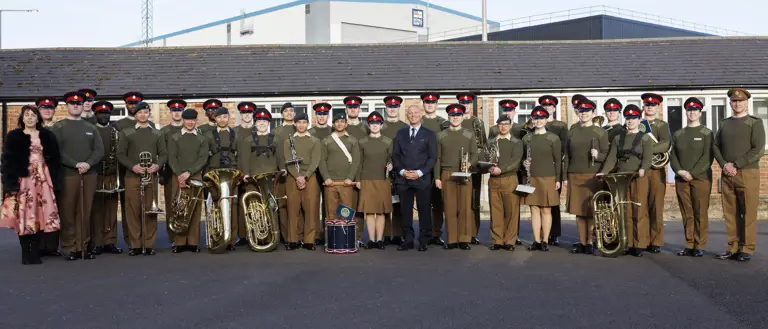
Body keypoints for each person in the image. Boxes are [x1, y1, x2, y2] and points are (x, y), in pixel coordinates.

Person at [1, 105, 61, 265]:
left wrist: (55, 180)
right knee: (23, 215)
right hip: (22, 180)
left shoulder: (47, 136)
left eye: (33, 115)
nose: (29, 118)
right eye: (26, 115)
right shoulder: (13, 136)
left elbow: (55, 160)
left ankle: (35, 251)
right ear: (22, 118)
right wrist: (9, 183)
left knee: (40, 214)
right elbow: (7, 161)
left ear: (37, 118)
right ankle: (25, 252)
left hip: (41, 180)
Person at [51, 91, 105, 261]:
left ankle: (83, 245)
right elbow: (57, 152)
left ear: (83, 106)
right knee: (67, 211)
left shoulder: (91, 128)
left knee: (85, 210)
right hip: (68, 175)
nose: (76, 106)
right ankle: (69, 247)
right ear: (67, 106)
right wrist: (75, 164)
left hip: (89, 174)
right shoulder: (58, 128)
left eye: (79, 104)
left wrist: (88, 163)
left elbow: (99, 150)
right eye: (72, 104)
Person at [713, 88, 765, 262]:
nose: (737, 104)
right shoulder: (724, 123)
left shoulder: (754, 123)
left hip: (748, 171)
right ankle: (732, 246)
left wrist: (736, 164)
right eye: (734, 101)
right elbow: (715, 146)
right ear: (730, 103)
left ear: (746, 102)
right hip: (727, 172)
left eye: (741, 101)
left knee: (748, 211)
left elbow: (758, 150)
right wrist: (724, 164)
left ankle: (747, 248)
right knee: (730, 211)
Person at [599, 104, 653, 257]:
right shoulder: (618, 138)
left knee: (639, 210)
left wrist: (643, 169)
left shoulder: (645, 138)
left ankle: (640, 244)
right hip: (621, 178)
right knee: (624, 211)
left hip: (638, 177)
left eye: (633, 118)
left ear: (639, 119)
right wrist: (603, 172)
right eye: (628, 118)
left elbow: (648, 159)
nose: (630, 121)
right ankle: (627, 243)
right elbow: (611, 158)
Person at [116, 102, 167, 256]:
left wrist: (157, 166)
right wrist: (133, 166)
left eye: (145, 112)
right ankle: (135, 244)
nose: (142, 115)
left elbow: (164, 153)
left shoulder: (157, 133)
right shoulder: (126, 132)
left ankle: (149, 244)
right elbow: (120, 154)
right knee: (133, 211)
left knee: (150, 211)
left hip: (151, 176)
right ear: (135, 115)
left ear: (149, 113)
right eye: (139, 113)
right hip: (132, 176)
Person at [564, 99, 610, 254]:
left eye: (587, 111)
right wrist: (564, 176)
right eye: (581, 111)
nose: (584, 114)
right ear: (577, 112)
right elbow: (567, 155)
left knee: (591, 211)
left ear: (593, 113)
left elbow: (608, 155)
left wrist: (597, 156)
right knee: (578, 211)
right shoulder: (572, 131)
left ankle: (590, 241)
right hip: (574, 174)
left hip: (592, 175)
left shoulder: (600, 132)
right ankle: (582, 242)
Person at [670, 97, 714, 257]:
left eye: (695, 110)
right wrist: (680, 171)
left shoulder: (706, 133)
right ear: (686, 112)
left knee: (700, 212)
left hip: (701, 178)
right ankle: (689, 244)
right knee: (686, 212)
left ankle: (700, 244)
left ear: (700, 112)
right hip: (681, 178)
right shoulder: (679, 133)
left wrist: (692, 173)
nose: (692, 113)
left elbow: (708, 156)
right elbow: (672, 155)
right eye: (689, 110)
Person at [392, 105, 437, 251]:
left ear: (420, 115)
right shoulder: (401, 133)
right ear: (407, 115)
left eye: (416, 113)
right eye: (410, 113)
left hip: (421, 178)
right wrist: (402, 171)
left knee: (424, 210)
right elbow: (396, 155)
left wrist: (419, 172)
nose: (413, 115)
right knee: (405, 210)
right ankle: (408, 239)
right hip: (404, 179)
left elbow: (432, 158)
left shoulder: (430, 134)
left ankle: (424, 239)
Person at [435, 104, 477, 250]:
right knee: (450, 208)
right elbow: (438, 158)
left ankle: (464, 239)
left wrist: (468, 165)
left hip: (465, 173)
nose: (455, 118)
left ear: (462, 117)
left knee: (465, 207)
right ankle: (452, 239)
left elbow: (475, 155)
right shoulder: (440, 135)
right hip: (447, 174)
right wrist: (437, 177)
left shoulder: (469, 134)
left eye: (458, 115)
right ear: (449, 117)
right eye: (452, 116)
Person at [167, 109, 209, 253]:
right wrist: (179, 174)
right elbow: (172, 157)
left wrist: (189, 172)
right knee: (179, 208)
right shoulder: (175, 137)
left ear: (196, 121)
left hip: (195, 176)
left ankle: (193, 242)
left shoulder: (202, 139)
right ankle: (179, 242)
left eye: (193, 120)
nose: (190, 122)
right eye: (187, 119)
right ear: (183, 120)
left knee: (194, 209)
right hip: (177, 176)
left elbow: (203, 158)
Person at [237, 107, 280, 249]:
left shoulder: (276, 139)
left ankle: (272, 236)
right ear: (255, 123)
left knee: (271, 207)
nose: (262, 123)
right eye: (259, 121)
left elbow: (280, 157)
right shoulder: (248, 140)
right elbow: (243, 159)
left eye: (265, 121)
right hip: (253, 179)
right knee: (255, 210)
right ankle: (257, 237)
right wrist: (246, 174)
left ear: (268, 123)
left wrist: (282, 170)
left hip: (270, 179)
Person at [320, 108, 362, 245]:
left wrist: (350, 177)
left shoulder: (352, 140)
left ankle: (347, 240)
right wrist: (326, 177)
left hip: (346, 182)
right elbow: (322, 161)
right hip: (330, 182)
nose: (339, 124)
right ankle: (331, 241)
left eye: (342, 121)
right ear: (333, 124)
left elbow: (356, 160)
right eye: (337, 122)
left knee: (346, 212)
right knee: (330, 213)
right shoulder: (326, 141)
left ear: (346, 124)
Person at [522, 106, 561, 251]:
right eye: (536, 118)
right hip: (532, 177)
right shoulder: (527, 138)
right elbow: (522, 158)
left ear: (546, 120)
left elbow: (558, 160)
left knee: (546, 210)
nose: (538, 121)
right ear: (532, 120)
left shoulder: (553, 138)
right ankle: (536, 240)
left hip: (548, 177)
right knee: (534, 210)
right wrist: (524, 163)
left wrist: (558, 179)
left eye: (541, 118)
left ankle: (545, 240)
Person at [282, 113, 322, 250]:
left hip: (310, 177)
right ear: (294, 123)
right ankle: (293, 239)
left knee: (311, 209)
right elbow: (288, 161)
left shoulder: (315, 141)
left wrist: (304, 176)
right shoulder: (288, 141)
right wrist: (297, 176)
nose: (301, 125)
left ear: (308, 123)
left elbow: (315, 161)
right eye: (298, 122)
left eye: (304, 122)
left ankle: (309, 240)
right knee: (293, 209)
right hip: (293, 177)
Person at [203, 107, 240, 250]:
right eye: (219, 117)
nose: (222, 120)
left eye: (225, 116)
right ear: (215, 119)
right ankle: (216, 237)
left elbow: (240, 155)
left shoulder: (236, 134)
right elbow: (205, 157)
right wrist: (207, 176)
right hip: (214, 174)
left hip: (231, 174)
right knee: (215, 206)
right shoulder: (208, 135)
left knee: (233, 206)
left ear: (228, 117)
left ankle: (231, 239)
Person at [89, 101, 123, 255]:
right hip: (96, 174)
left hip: (110, 174)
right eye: (101, 114)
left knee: (111, 208)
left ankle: (110, 241)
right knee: (97, 209)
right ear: (96, 115)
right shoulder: (91, 130)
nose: (104, 116)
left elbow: (119, 152)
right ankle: (97, 242)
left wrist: (114, 166)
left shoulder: (114, 131)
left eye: (107, 114)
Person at [357, 111, 394, 250]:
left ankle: (380, 239)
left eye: (377, 123)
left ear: (381, 125)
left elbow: (391, 158)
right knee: (369, 211)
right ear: (369, 125)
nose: (374, 126)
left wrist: (391, 165)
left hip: (382, 179)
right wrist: (358, 179)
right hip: (366, 179)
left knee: (380, 211)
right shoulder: (362, 142)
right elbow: (359, 162)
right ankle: (371, 239)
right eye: (372, 123)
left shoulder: (388, 141)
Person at [487, 114, 524, 251]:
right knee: (496, 212)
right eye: (501, 124)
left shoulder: (516, 142)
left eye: (506, 124)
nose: (503, 127)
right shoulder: (491, 142)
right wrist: (488, 167)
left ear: (510, 126)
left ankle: (510, 241)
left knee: (511, 211)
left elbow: (516, 161)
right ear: (497, 126)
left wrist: (501, 169)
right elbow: (485, 158)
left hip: (510, 179)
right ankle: (497, 240)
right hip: (494, 180)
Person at [640, 93, 671, 254]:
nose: (649, 107)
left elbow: (666, 144)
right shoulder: (638, 124)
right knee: (641, 206)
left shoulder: (662, 125)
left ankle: (656, 241)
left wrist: (647, 150)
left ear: (658, 107)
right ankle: (643, 240)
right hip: (641, 171)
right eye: (647, 104)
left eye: (652, 105)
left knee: (656, 206)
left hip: (656, 171)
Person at [456, 92, 486, 245]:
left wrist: (473, 161)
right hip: (457, 167)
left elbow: (482, 145)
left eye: (468, 103)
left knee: (473, 201)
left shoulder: (477, 122)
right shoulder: (454, 122)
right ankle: (460, 232)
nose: (465, 105)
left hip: (473, 167)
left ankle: (473, 232)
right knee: (459, 201)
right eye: (462, 102)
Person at [34, 96, 62, 255]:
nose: (47, 110)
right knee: (37, 211)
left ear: (54, 110)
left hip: (54, 173)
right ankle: (38, 246)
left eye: (50, 108)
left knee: (53, 210)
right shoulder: (32, 129)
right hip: (36, 175)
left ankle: (51, 246)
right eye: (43, 108)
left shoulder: (59, 128)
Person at [419, 92, 447, 246]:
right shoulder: (418, 122)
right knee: (424, 203)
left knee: (438, 204)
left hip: (438, 168)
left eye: (433, 102)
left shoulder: (443, 123)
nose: (430, 105)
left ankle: (437, 233)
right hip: (422, 169)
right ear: (423, 104)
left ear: (436, 104)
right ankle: (425, 233)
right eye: (427, 102)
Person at [539, 95, 567, 246]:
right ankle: (542, 233)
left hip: (554, 167)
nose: (547, 108)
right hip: (538, 168)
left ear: (554, 108)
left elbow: (563, 146)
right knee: (539, 203)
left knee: (553, 203)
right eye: (544, 106)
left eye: (550, 106)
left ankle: (554, 234)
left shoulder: (561, 126)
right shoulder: (535, 123)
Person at [380, 96, 407, 246]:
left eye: (395, 107)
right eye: (389, 107)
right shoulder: (379, 126)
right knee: (384, 203)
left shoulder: (404, 127)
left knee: (398, 204)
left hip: (399, 170)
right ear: (386, 108)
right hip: (382, 170)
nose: (392, 109)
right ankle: (385, 233)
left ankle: (397, 234)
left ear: (398, 108)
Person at [160, 99, 186, 245]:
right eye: (174, 110)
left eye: (179, 110)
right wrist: (161, 174)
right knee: (172, 205)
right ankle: (173, 237)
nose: (177, 113)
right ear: (170, 112)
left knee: (186, 205)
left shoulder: (190, 128)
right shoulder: (164, 131)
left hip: (188, 172)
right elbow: (161, 153)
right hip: (170, 172)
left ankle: (186, 236)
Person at [233, 101, 256, 246]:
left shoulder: (259, 129)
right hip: (237, 171)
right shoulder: (234, 132)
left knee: (254, 203)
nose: (246, 115)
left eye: (249, 113)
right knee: (239, 203)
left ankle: (254, 232)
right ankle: (241, 235)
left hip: (253, 172)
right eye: (244, 113)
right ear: (240, 115)